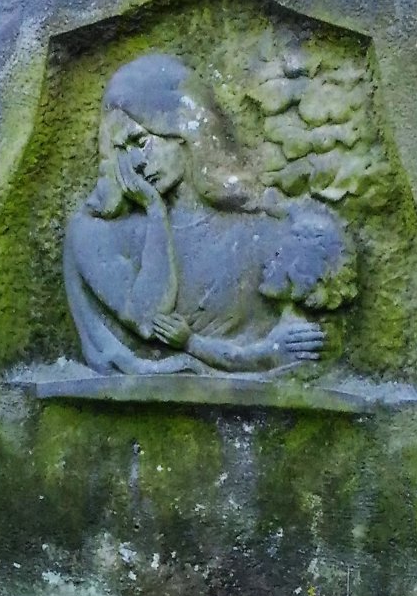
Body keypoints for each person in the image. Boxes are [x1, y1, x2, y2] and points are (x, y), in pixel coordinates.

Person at [63, 52, 356, 376]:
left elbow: (314, 344)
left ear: (186, 133)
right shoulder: (98, 234)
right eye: (122, 150)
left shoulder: (267, 233)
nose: (136, 163)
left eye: (141, 141)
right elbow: (148, 318)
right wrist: (155, 212)